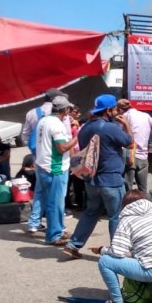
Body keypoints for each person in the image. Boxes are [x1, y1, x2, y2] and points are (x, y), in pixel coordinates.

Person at [63, 94, 134, 259]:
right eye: (115, 109)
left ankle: (73, 244)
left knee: (91, 212)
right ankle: (119, 251)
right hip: (111, 180)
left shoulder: (85, 128)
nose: (116, 112)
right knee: (117, 216)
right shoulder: (111, 128)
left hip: (92, 180)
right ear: (108, 110)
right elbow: (130, 143)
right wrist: (126, 125)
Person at [89, 190, 152, 303]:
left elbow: (118, 252)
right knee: (135, 256)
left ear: (124, 205)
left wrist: (102, 250)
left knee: (105, 261)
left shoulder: (127, 220)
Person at [28, 95, 78, 246]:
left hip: (42, 164)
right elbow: (62, 148)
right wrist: (76, 138)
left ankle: (58, 229)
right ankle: (54, 234)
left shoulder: (43, 120)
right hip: (55, 167)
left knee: (47, 199)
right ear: (65, 110)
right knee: (55, 203)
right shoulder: (56, 125)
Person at [117, 98, 152, 196]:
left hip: (130, 156)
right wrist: (150, 132)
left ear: (121, 109)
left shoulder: (124, 116)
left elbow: (119, 134)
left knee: (127, 187)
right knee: (143, 188)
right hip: (143, 157)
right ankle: (144, 208)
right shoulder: (145, 115)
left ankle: (128, 207)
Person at [21, 88, 63, 156]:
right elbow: (67, 136)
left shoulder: (31, 113)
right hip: (55, 155)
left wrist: (33, 148)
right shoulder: (61, 112)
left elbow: (25, 136)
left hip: (37, 154)